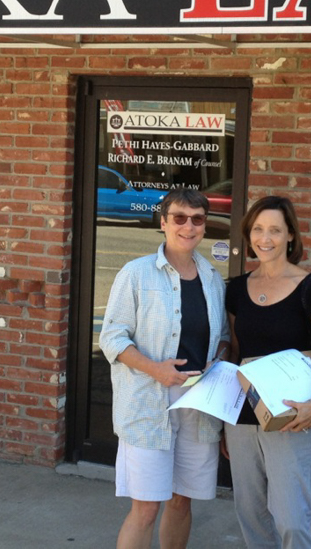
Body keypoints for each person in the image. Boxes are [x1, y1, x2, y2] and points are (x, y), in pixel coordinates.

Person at [99, 187, 230, 549]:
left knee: (181, 501)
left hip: (197, 405)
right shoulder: (136, 273)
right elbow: (112, 338)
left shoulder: (212, 279)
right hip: (148, 403)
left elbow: (222, 336)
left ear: (205, 226)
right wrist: (155, 369)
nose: (188, 227)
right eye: (179, 218)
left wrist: (217, 360)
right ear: (163, 222)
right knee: (145, 508)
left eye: (197, 219)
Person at [223, 196, 311, 549]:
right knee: (251, 515)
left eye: (275, 230)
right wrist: (221, 420)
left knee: (292, 519)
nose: (265, 238)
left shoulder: (310, 287)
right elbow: (235, 353)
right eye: (258, 229)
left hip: (292, 417)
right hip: (242, 418)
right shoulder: (236, 288)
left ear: (290, 235)